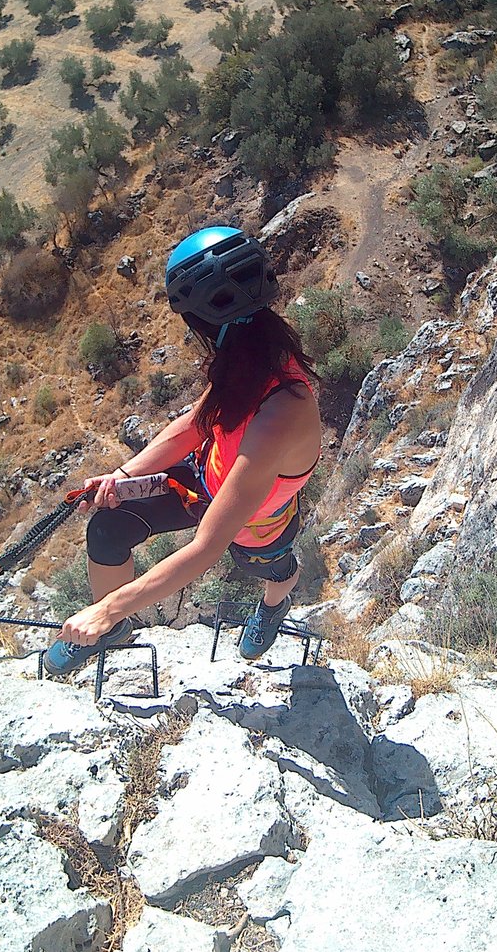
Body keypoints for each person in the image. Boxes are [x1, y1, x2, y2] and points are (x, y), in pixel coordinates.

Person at [45, 226, 322, 673]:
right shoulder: (248, 351)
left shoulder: (281, 413)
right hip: (207, 478)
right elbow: (197, 423)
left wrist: (106, 607)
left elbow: (207, 547)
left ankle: (274, 605)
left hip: (254, 517)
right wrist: (125, 473)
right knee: (109, 527)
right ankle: (113, 634)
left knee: (270, 569)